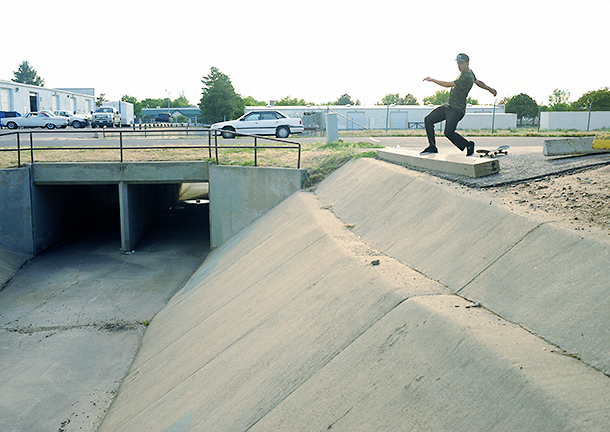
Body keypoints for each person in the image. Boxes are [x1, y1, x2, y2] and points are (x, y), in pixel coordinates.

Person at [420, 53, 497, 156]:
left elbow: (447, 84)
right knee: (428, 119)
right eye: (458, 63)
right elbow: (478, 82)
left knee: (448, 132)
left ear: (467, 63)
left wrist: (433, 80)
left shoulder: (467, 77)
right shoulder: (470, 73)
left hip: (457, 110)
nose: (459, 66)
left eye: (461, 63)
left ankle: (468, 145)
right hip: (448, 106)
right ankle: (432, 147)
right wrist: (490, 89)